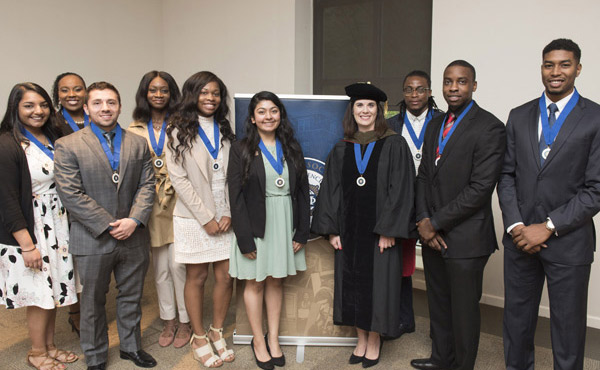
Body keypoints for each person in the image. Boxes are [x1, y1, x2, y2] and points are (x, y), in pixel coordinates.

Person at [497, 39, 600, 370]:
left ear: (578, 68)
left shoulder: (595, 117)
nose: (556, 72)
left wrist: (549, 227)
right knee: (516, 324)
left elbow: (596, 189)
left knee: (568, 331)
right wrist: (516, 225)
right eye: (549, 64)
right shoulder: (519, 115)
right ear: (542, 67)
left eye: (564, 64)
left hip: (568, 242)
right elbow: (506, 176)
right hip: (520, 240)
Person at [312, 83, 415, 368]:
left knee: (378, 287)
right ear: (352, 111)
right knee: (352, 285)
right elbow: (330, 190)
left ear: (379, 111)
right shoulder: (342, 148)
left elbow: (401, 189)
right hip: (349, 231)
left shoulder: (394, 144)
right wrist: (332, 229)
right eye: (359, 105)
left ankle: (375, 340)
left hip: (379, 233)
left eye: (370, 106)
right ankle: (360, 338)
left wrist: (388, 230)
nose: (365, 111)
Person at [54, 82, 156, 370]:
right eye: (97, 103)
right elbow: (70, 193)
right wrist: (109, 224)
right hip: (92, 237)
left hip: (133, 235)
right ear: (86, 108)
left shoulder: (137, 143)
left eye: (111, 102)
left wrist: (134, 220)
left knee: (132, 296)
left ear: (120, 106)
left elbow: (148, 185)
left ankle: (131, 347)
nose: (105, 108)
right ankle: (96, 356)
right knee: (93, 303)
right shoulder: (68, 145)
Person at [411, 61, 506, 370]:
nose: (453, 88)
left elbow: (480, 189)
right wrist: (424, 221)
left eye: (461, 82)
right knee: (438, 303)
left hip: (466, 238)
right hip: (432, 235)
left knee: (463, 311)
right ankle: (441, 359)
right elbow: (424, 175)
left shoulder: (490, 127)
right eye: (448, 82)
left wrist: (435, 223)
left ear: (474, 86)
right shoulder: (436, 124)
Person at [228, 91, 310, 370]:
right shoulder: (240, 149)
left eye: (273, 110)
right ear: (252, 117)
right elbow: (235, 197)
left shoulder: (292, 147)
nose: (268, 116)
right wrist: (244, 238)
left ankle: (273, 338)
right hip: (255, 224)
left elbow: (301, 190)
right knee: (255, 283)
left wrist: (301, 232)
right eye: (261, 111)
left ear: (280, 115)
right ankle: (258, 341)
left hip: (285, 220)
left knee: (276, 280)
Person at [0, 82, 79, 370]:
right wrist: (27, 245)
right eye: (29, 105)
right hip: (31, 228)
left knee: (53, 289)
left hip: (56, 223)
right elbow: (6, 200)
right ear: (15, 108)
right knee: (37, 293)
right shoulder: (7, 143)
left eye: (43, 104)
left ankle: (50, 345)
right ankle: (36, 352)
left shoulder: (51, 136)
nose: (38, 111)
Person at [165, 71, 236, 368]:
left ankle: (216, 331)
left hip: (226, 213)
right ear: (192, 95)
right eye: (204, 92)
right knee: (197, 276)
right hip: (194, 217)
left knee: (226, 276)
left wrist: (228, 212)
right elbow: (179, 180)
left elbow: (233, 174)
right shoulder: (177, 130)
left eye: (216, 93)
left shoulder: (225, 127)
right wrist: (207, 217)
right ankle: (197, 336)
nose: (210, 98)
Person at [128, 71, 192, 348]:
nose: (158, 95)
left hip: (179, 201)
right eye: (152, 90)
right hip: (150, 204)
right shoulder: (133, 129)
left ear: (171, 94)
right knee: (161, 269)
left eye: (163, 90)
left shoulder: (183, 124)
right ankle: (169, 320)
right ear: (145, 94)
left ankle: (186, 320)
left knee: (179, 266)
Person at [387, 70, 444, 336]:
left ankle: (440, 332)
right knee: (401, 263)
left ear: (430, 93)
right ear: (403, 93)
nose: (414, 95)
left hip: (435, 203)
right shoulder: (391, 124)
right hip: (402, 202)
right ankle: (404, 319)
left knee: (439, 267)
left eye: (420, 89)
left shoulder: (445, 122)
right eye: (409, 89)